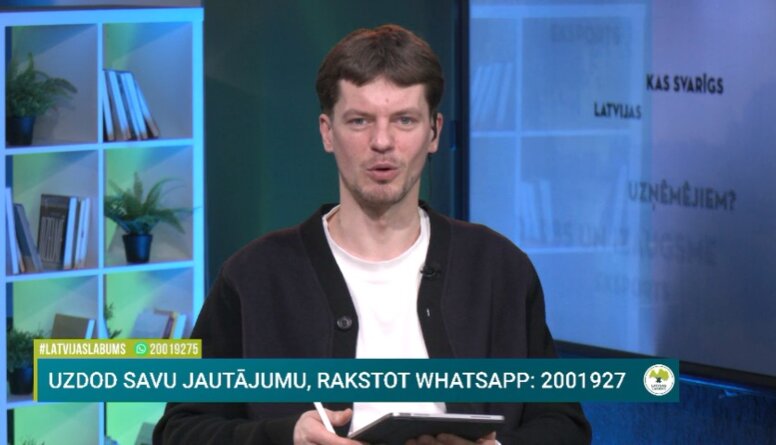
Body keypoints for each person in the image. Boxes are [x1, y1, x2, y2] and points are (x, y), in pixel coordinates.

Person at [154, 24, 591, 445]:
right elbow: (180, 430)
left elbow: (564, 425)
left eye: (404, 120)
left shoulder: (498, 268)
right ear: (327, 132)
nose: (382, 141)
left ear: (434, 132)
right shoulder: (255, 276)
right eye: (360, 121)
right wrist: (285, 436)